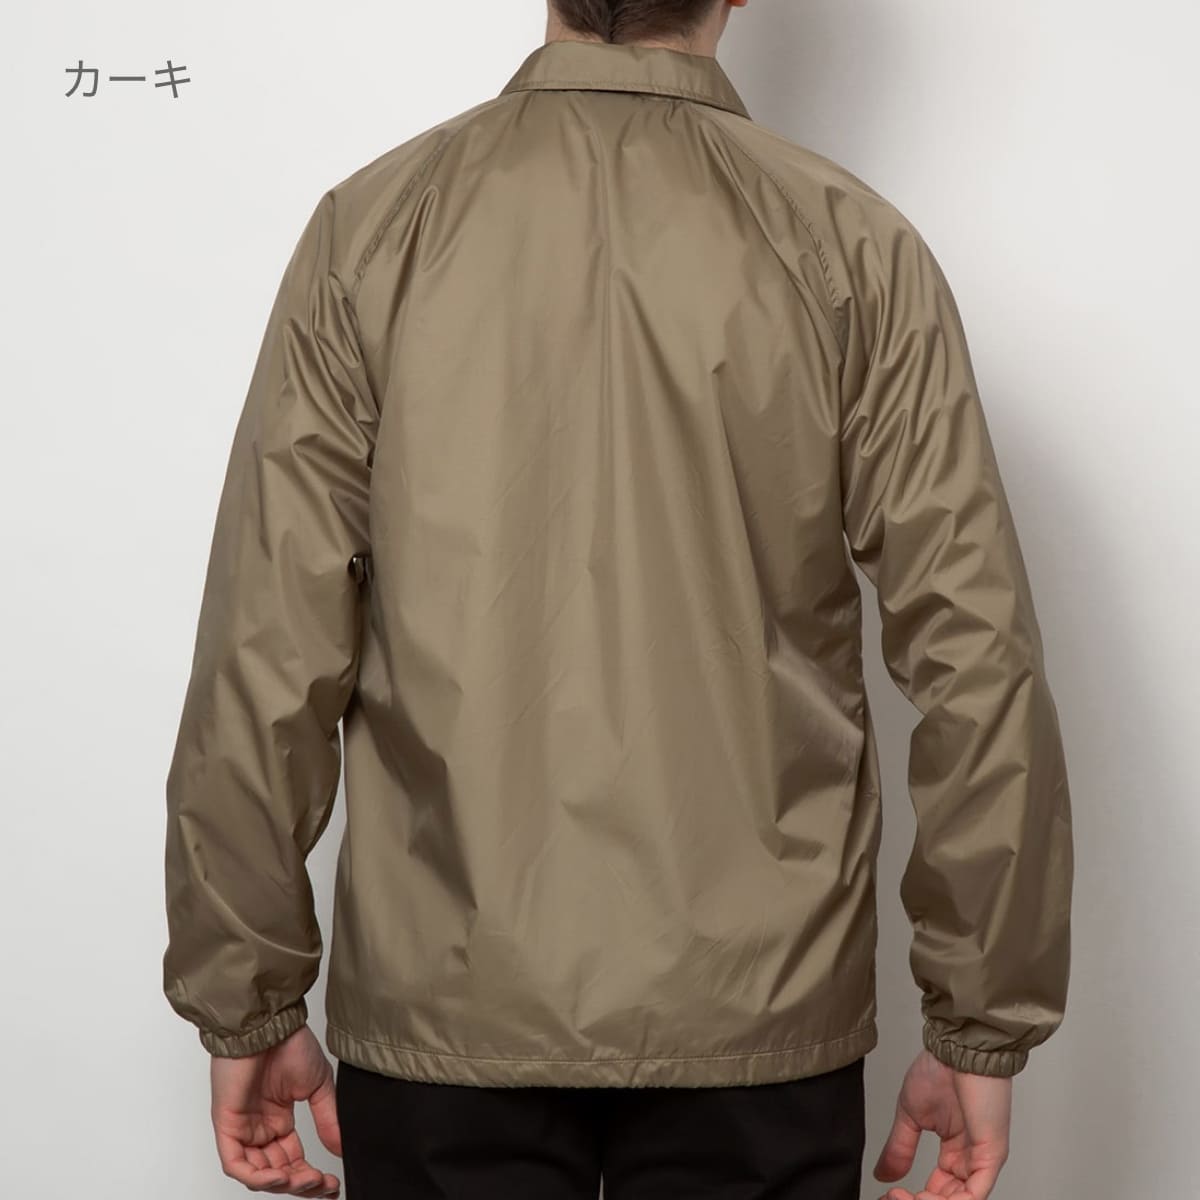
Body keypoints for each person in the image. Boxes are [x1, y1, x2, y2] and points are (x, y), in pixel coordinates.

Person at [161, 2, 1075, 1198]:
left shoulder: (373, 233)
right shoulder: (854, 247)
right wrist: (978, 1023)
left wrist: (247, 998)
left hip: (448, 1014)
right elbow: (976, 655)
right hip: (759, 1018)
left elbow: (266, 647)